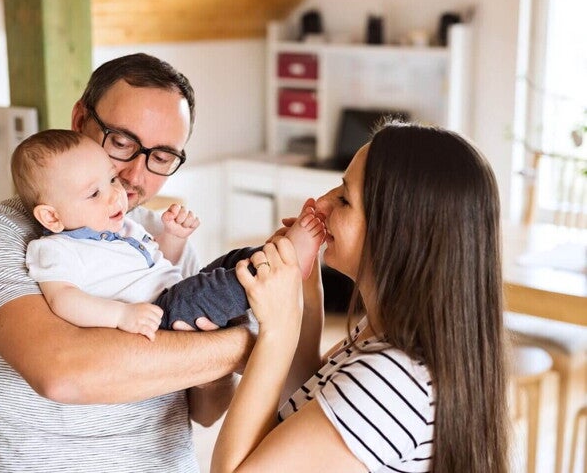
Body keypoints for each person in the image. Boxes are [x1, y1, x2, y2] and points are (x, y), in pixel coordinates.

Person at [0, 53, 256, 472]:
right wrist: (248, 346)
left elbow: (205, 409)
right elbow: (62, 373)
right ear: (80, 122)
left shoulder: (151, 240)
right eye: (122, 143)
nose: (133, 175)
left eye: (162, 157)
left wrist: (213, 359)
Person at [211, 122, 510, 472]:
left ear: (399, 233)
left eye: (344, 198)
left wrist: (278, 329)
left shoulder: (392, 380)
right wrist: (303, 296)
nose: (320, 204)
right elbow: (308, 401)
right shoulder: (386, 338)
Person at [12, 129, 324, 338]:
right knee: (217, 287)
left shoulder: (123, 226)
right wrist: (121, 316)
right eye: (94, 193)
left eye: (110, 180)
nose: (114, 195)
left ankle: (280, 256)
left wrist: (172, 237)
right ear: (51, 216)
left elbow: (162, 262)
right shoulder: (55, 249)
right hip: (160, 315)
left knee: (230, 263)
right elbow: (63, 300)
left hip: (176, 290)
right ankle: (287, 259)